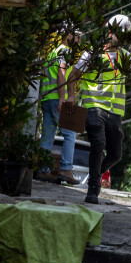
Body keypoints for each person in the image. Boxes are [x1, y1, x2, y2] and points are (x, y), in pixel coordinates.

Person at [69, 14, 131, 204]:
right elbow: (74, 74)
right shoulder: (92, 53)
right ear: (109, 32)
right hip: (94, 106)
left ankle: (95, 174)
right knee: (98, 144)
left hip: (114, 112)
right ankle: (92, 190)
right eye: (119, 34)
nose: (121, 38)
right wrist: (71, 95)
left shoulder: (122, 55)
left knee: (116, 154)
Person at [35, 25, 79, 184]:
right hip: (57, 98)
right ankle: (66, 169)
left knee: (47, 136)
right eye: (77, 36)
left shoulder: (52, 52)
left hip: (47, 99)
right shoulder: (65, 51)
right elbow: (62, 73)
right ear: (69, 35)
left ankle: (43, 170)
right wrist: (62, 98)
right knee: (70, 133)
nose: (78, 39)